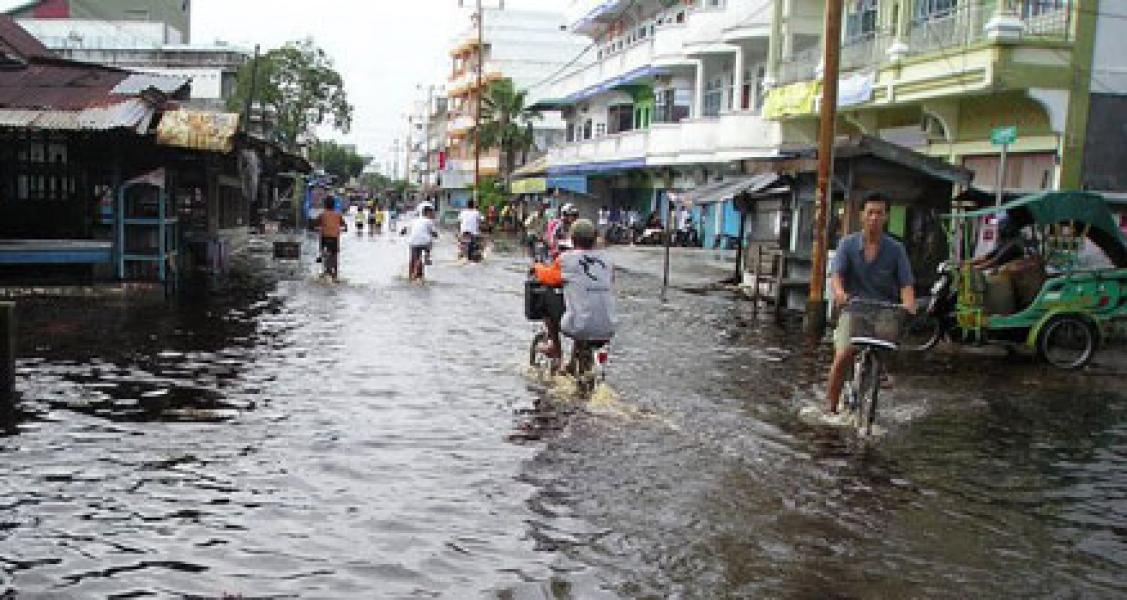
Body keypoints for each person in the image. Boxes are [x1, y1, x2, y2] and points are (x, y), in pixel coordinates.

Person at [825, 193, 916, 415]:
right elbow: (836, 275)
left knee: (886, 345)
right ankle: (831, 408)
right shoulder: (847, 244)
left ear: (886, 217)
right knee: (843, 356)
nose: (874, 218)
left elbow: (906, 284)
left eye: (879, 213)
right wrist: (839, 293)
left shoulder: (896, 249)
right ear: (862, 216)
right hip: (853, 307)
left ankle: (880, 371)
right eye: (870, 213)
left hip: (884, 310)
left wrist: (909, 304)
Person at [531, 218, 616, 369]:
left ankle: (556, 350)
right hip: (608, 326)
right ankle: (574, 364)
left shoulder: (567, 259)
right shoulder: (608, 261)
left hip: (579, 325)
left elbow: (548, 277)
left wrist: (536, 267)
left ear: (573, 238)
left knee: (545, 299)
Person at [314, 195, 346, 281]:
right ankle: (335, 275)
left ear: (324, 205)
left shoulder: (322, 215)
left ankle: (324, 268)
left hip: (324, 237)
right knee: (335, 256)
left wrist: (316, 228)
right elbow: (344, 225)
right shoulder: (338, 215)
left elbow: (315, 224)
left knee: (323, 252)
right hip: (335, 238)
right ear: (334, 205)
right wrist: (342, 229)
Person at [403, 203, 438, 280]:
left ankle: (411, 275)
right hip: (424, 243)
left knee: (413, 258)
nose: (433, 215)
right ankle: (427, 257)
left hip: (413, 242)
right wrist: (436, 235)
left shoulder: (414, 220)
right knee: (429, 243)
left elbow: (404, 229)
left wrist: (402, 232)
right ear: (427, 213)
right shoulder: (428, 221)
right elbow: (434, 233)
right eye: (432, 213)